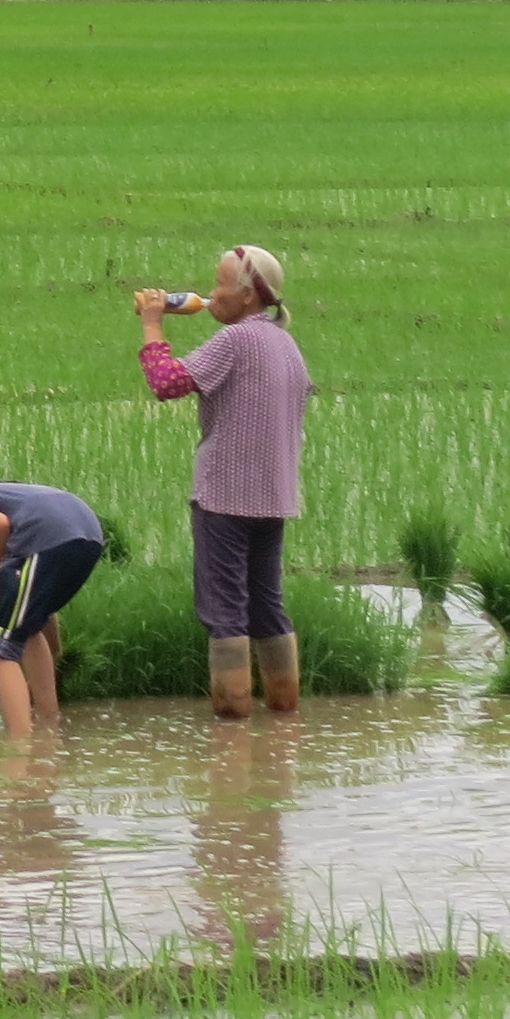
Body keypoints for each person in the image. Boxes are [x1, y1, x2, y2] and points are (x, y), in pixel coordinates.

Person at [133, 245, 314, 719]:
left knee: (225, 610)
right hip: (273, 495)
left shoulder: (235, 339)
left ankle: (231, 729)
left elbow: (167, 383)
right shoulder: (286, 343)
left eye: (219, 284)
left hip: (225, 494)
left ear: (248, 295)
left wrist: (153, 324)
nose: (211, 294)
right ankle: (284, 719)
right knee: (267, 605)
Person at [0, 478, 107, 739]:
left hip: (50, 541)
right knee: (27, 625)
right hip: (90, 538)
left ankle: (19, 744)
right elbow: (44, 624)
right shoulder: (11, 496)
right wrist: (51, 656)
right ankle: (48, 727)